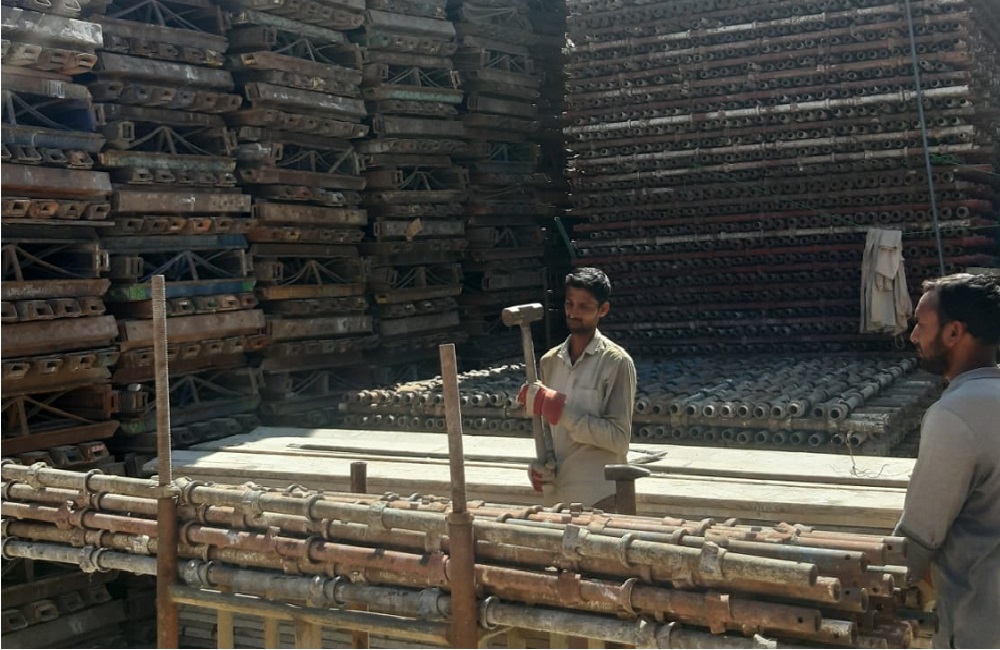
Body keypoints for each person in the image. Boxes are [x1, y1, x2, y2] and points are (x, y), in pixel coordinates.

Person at [894, 272, 1000, 648]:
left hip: (979, 626)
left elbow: (920, 536)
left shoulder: (955, 415)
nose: (914, 336)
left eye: (921, 325)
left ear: (953, 332)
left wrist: (874, 588)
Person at [515, 267, 637, 511]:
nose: (573, 312)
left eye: (584, 306)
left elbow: (619, 440)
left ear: (603, 309)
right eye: (569, 304)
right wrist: (541, 468)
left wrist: (560, 410)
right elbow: (550, 437)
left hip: (601, 499)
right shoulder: (550, 362)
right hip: (557, 500)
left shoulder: (616, 363)